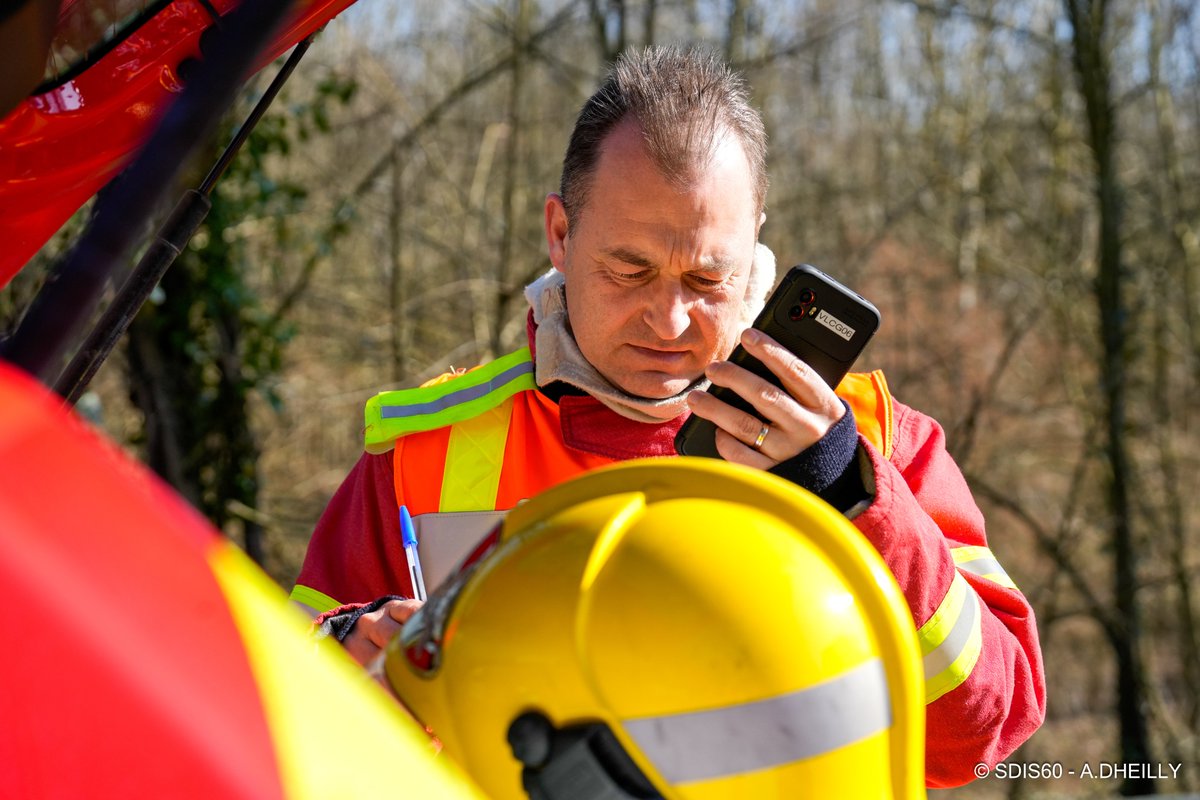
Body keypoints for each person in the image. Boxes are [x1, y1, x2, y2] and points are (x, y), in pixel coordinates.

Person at [291, 45, 1045, 788]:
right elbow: (280, 711)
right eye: (630, 270)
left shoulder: (874, 447)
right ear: (559, 234)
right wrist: (344, 651)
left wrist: (848, 495)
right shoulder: (424, 455)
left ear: (754, 259)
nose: (669, 319)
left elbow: (983, 731)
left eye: (707, 279)